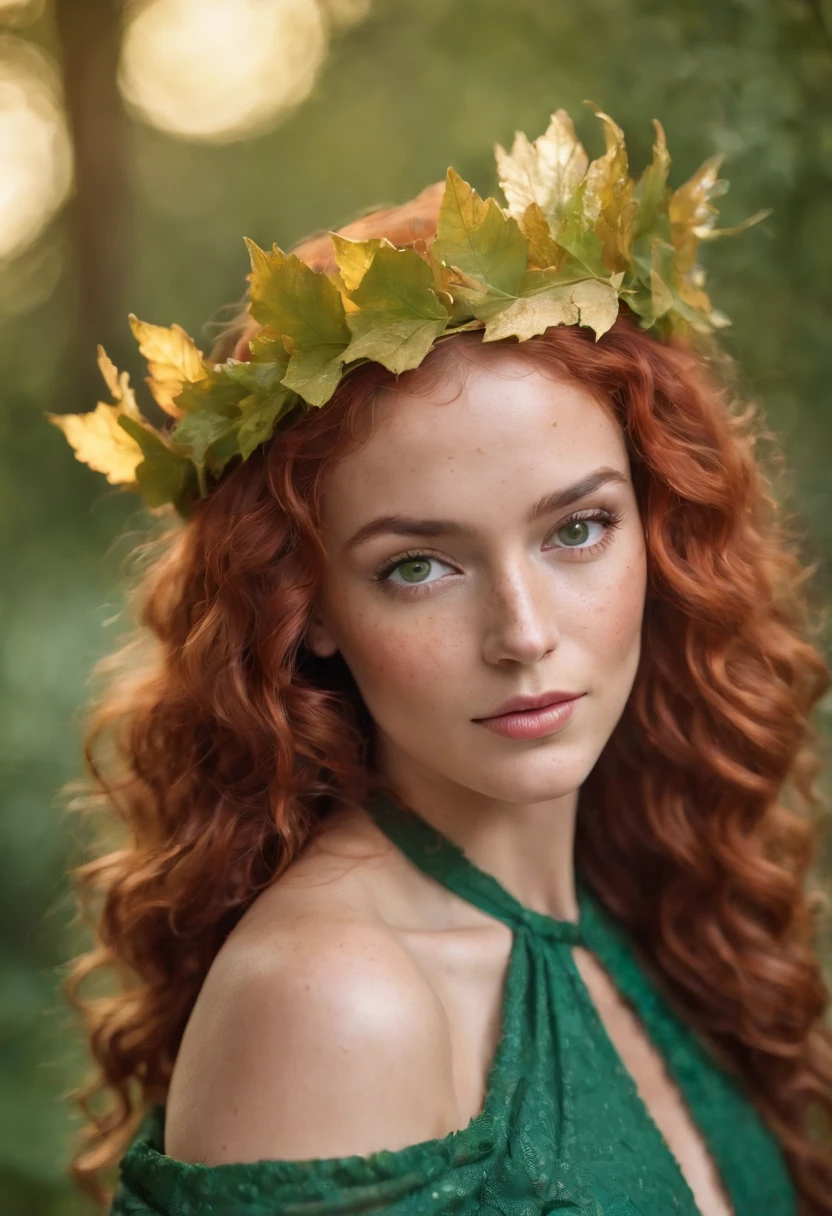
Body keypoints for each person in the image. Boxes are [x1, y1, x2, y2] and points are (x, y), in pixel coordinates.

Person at [53, 108, 832, 1215]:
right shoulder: (335, 1000)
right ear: (306, 605)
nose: (522, 630)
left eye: (576, 530)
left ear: (656, 528)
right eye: (419, 565)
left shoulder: (636, 901)